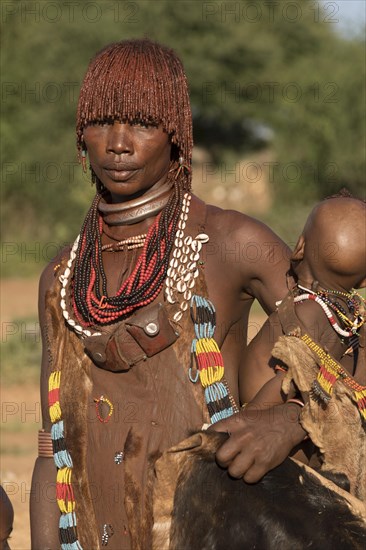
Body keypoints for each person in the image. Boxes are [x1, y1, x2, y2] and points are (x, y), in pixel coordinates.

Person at [30, 39, 306, 549]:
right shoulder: (62, 281)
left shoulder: (231, 244)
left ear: (176, 133)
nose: (117, 143)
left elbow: (342, 344)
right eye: (102, 122)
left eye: (142, 123)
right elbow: (53, 451)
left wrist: (287, 421)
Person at [222, 195, 366, 495]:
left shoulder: (306, 312)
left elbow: (286, 383)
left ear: (299, 248)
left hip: (268, 452)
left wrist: (247, 421)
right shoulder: (350, 319)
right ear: (364, 282)